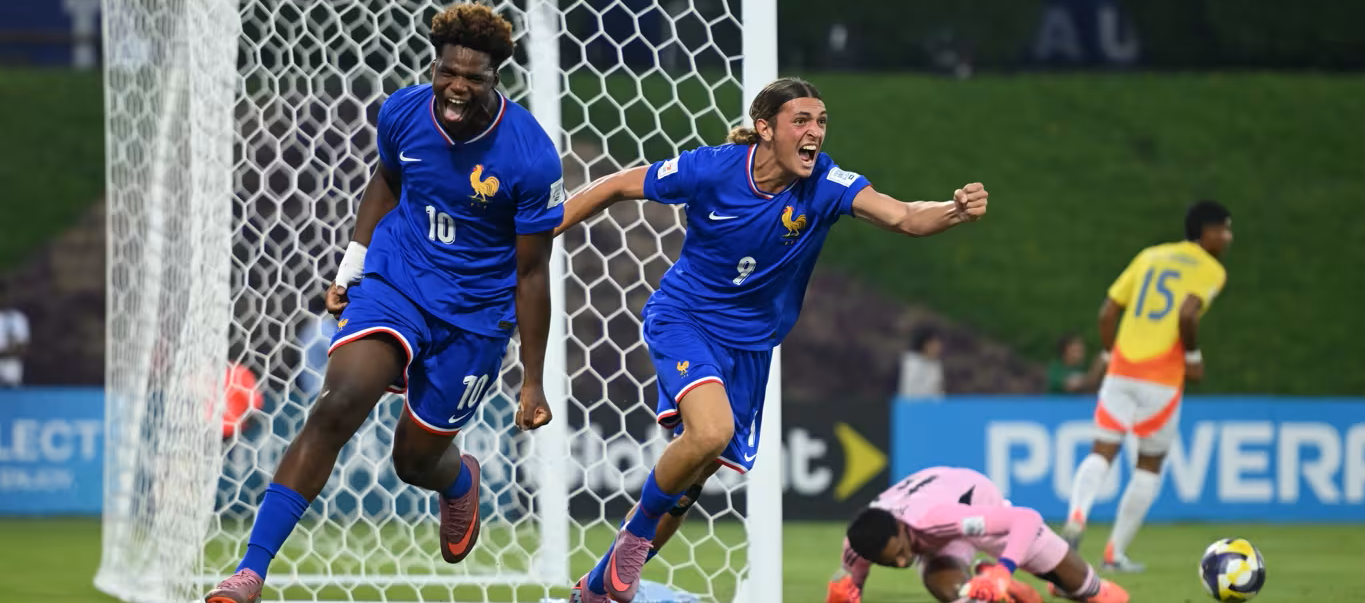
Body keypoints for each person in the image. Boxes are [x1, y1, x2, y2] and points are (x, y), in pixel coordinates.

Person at [558, 77, 989, 603]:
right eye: (801, 121)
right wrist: (540, 228)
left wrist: (953, 209)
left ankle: (600, 586)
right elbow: (614, 185)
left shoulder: (826, 184)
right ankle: (633, 539)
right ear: (765, 129)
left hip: (750, 349)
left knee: (692, 477)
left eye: (822, 121)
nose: (815, 132)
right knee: (710, 432)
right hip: (685, 319)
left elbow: (902, 216)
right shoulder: (713, 168)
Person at [205, 4, 565, 602]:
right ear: (436, 63)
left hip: (474, 317)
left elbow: (531, 274)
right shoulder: (402, 111)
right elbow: (389, 180)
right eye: (448, 71)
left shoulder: (529, 156)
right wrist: (352, 266)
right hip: (397, 283)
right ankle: (249, 573)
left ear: (496, 77)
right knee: (337, 404)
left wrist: (532, 381)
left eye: (473, 78)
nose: (456, 87)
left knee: (415, 462)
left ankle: (457, 480)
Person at [1061, 200, 1232, 572]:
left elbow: (1108, 311)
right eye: (1225, 229)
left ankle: (1077, 513)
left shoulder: (1150, 256)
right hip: (1162, 377)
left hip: (1121, 370)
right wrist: (1192, 357)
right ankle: (1113, 554)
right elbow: (1188, 313)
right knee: (1149, 464)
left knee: (1101, 451)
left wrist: (1110, 353)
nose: (1228, 238)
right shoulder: (1211, 270)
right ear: (1207, 232)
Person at [826, 466, 1129, 603]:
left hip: (978, 507)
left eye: (903, 550)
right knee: (959, 597)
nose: (905, 561)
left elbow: (1025, 519)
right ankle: (998, 592)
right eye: (892, 562)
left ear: (903, 529)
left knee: (1098, 595)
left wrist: (1003, 571)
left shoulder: (934, 520)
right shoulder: (859, 545)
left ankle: (1004, 581)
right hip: (940, 533)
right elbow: (850, 590)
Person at [898, 325, 945, 398]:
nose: (940, 347)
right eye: (936, 343)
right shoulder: (912, 365)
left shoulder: (935, 364)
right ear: (926, 345)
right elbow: (912, 396)